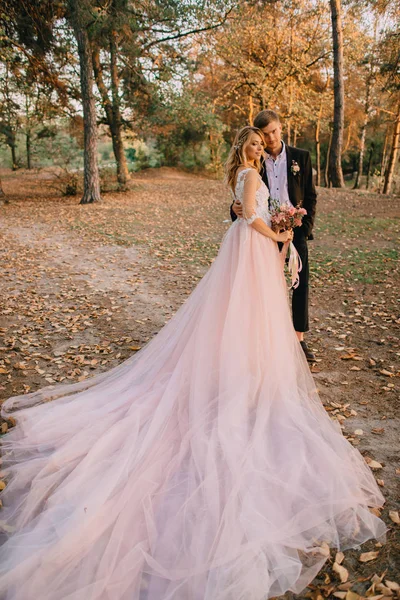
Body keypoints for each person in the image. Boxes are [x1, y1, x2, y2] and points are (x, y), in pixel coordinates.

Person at [0, 127, 385, 600]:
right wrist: (280, 231)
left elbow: (253, 213)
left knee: (254, 318)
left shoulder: (254, 172)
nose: (259, 152)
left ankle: (250, 370)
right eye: (254, 146)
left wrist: (280, 230)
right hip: (250, 250)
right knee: (245, 314)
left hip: (256, 254)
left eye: (262, 148)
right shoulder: (248, 175)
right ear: (244, 150)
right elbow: (247, 217)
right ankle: (243, 373)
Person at [231, 110, 317, 362]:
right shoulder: (255, 159)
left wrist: (304, 228)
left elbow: (311, 196)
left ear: (281, 128)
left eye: (274, 131)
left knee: (299, 283)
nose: (270, 138)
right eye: (264, 134)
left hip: (295, 230)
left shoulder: (301, 156)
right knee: (264, 287)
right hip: (264, 231)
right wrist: (234, 209)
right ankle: (261, 339)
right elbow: (245, 199)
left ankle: (299, 340)